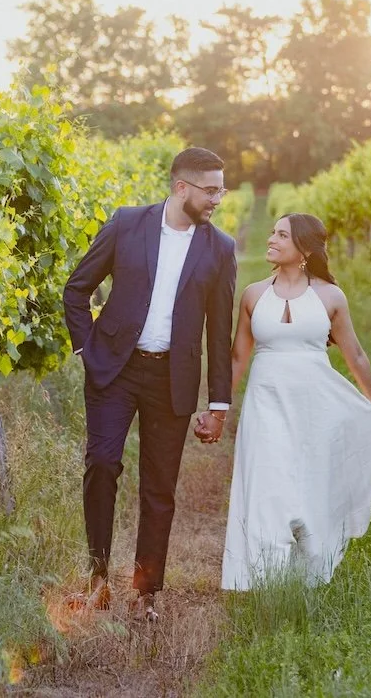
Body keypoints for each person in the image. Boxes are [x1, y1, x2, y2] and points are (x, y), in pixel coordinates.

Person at [62, 147, 237, 621]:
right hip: (114, 369)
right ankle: (98, 579)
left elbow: (218, 334)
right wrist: (86, 350)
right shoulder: (127, 222)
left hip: (172, 378)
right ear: (182, 187)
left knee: (159, 488)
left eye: (221, 188)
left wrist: (219, 403)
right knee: (102, 463)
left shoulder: (221, 248)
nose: (218, 197)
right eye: (211, 189)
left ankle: (145, 593)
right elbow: (76, 289)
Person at [207, 213, 371, 590]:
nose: (271, 239)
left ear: (304, 249)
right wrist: (218, 410)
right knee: (266, 484)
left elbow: (354, 354)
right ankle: (261, 578)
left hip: (315, 405)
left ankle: (306, 578)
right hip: (265, 402)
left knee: (308, 487)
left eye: (281, 235)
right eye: (271, 231)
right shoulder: (254, 294)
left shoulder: (330, 296)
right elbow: (238, 357)